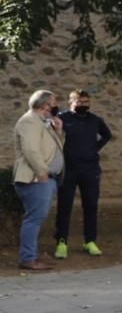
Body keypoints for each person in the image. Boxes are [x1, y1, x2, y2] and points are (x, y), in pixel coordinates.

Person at [53, 89, 112, 259]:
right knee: (64, 206)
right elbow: (52, 134)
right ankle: (62, 242)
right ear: (71, 102)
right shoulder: (63, 118)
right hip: (69, 169)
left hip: (90, 169)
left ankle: (90, 241)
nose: (83, 105)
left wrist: (94, 148)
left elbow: (107, 135)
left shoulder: (95, 120)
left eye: (86, 102)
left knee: (91, 205)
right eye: (80, 102)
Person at [13, 90, 64, 270]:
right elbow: (31, 150)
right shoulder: (29, 122)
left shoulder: (43, 122)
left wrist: (58, 131)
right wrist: (42, 173)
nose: (55, 107)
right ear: (44, 105)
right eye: (53, 103)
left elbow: (52, 149)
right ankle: (28, 259)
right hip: (35, 179)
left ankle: (30, 256)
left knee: (36, 218)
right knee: (33, 219)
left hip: (46, 179)